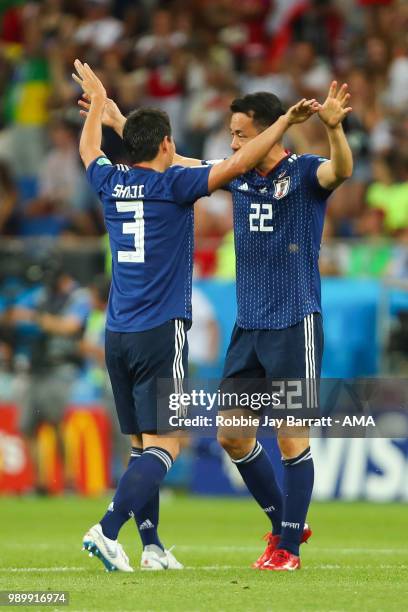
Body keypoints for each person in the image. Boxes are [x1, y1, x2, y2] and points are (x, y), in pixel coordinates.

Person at [72, 59, 319, 573]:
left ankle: (154, 546)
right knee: (165, 443)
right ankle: (108, 528)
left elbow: (88, 149)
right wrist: (285, 125)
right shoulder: (176, 186)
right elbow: (236, 164)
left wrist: (101, 108)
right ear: (165, 146)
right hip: (160, 330)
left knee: (142, 444)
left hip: (115, 331)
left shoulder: (107, 182)